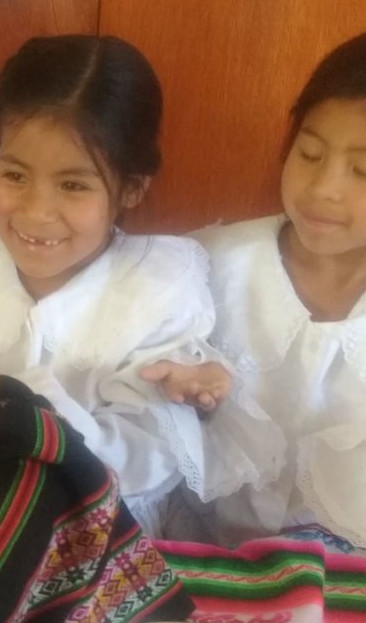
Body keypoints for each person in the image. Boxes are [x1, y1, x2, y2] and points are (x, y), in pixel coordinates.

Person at [0, 35, 249, 537]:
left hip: (104, 533)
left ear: (131, 188)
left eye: (72, 185)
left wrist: (10, 412)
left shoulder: (157, 289)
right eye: (15, 175)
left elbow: (148, 458)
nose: (36, 211)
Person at [147, 33, 366, 545]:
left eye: (362, 170)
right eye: (310, 154)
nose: (323, 188)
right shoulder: (203, 266)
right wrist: (181, 396)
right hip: (199, 555)